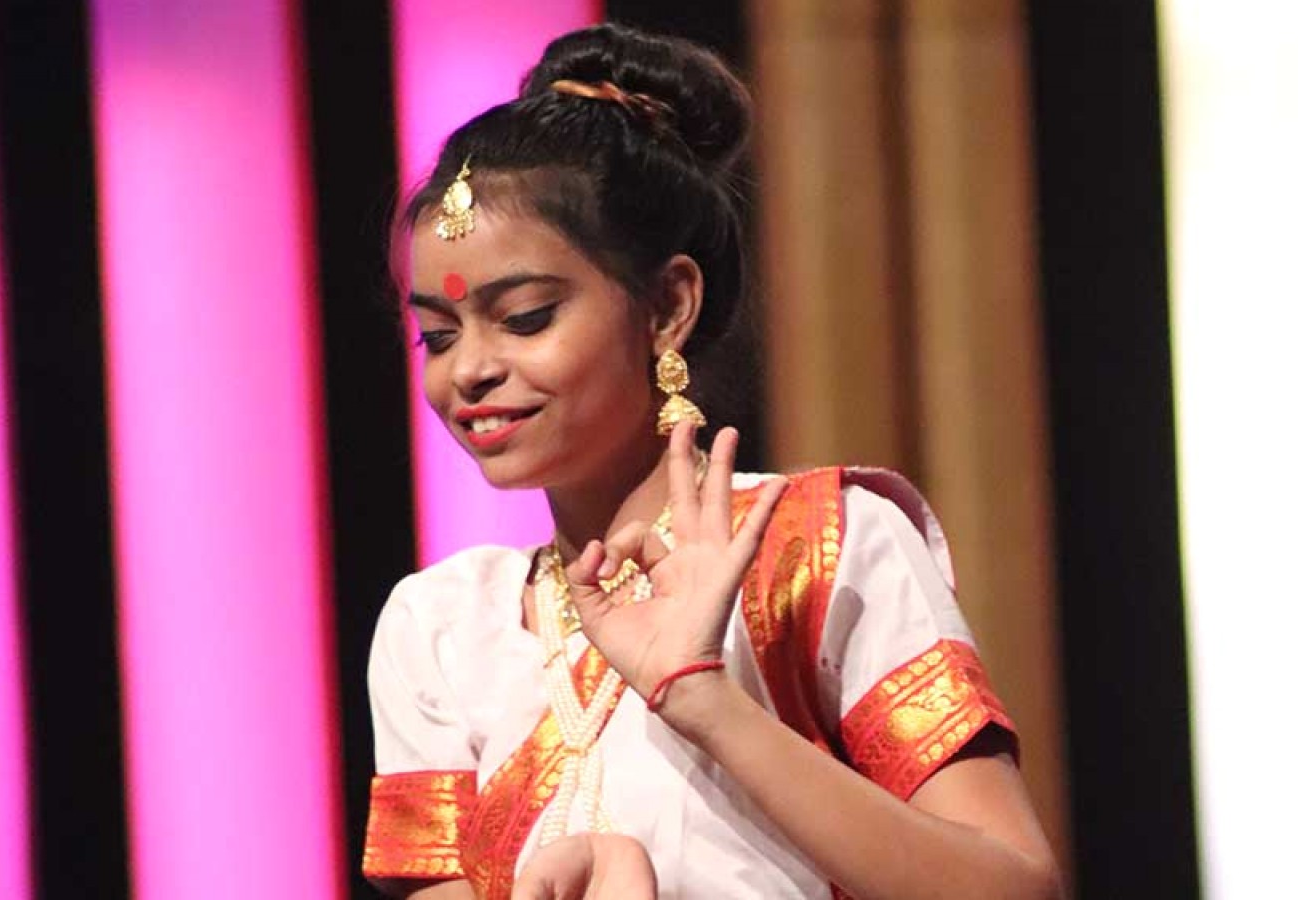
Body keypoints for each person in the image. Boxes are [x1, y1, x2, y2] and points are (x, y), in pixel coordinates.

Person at [361, 22, 1061, 900]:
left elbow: (1011, 886)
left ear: (667, 307)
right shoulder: (440, 628)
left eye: (527, 318)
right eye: (437, 335)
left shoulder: (821, 546)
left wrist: (705, 702)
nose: (469, 370)